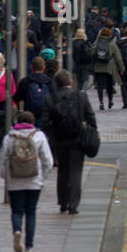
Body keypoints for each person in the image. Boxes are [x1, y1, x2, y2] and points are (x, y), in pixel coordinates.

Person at [0, 110, 53, 252]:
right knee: (31, 211)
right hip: (34, 180)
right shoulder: (39, 136)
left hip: (14, 179)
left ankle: (17, 230)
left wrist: (5, 176)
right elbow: (48, 160)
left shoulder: (9, 137)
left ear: (17, 122)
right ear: (33, 122)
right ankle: (29, 245)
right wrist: (43, 177)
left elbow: (4, 159)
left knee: (16, 211)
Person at [43, 70, 95, 214]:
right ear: (70, 82)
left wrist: (51, 137)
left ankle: (63, 202)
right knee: (75, 172)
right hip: (77, 139)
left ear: (56, 83)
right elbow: (90, 116)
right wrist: (92, 131)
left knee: (62, 170)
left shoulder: (51, 98)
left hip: (59, 141)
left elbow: (45, 122)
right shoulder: (80, 96)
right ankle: (73, 204)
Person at [91, 26, 124, 109]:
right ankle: (110, 101)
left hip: (98, 67)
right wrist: (121, 67)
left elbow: (92, 52)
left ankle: (101, 102)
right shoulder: (112, 44)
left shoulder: (97, 42)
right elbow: (118, 57)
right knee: (109, 85)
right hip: (109, 68)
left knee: (100, 85)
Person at [15, 55, 54, 122]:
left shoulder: (26, 81)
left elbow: (17, 97)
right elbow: (53, 98)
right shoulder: (49, 82)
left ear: (31, 67)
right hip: (44, 115)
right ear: (44, 67)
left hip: (29, 116)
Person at [70, 28, 93, 96]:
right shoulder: (85, 42)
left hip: (77, 64)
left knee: (79, 79)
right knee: (86, 79)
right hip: (85, 64)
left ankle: (79, 91)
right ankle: (83, 92)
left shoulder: (73, 43)